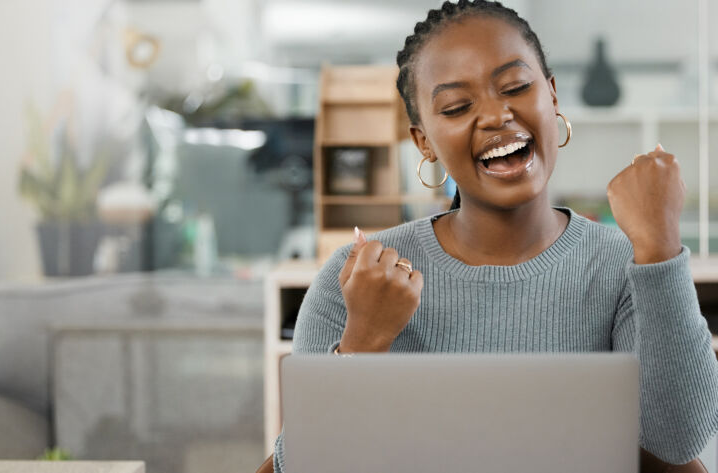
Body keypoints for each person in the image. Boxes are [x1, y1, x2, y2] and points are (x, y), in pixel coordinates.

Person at [256, 1, 718, 472]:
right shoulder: (355, 280)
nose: (497, 116)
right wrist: (361, 346)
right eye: (457, 107)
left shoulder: (623, 267)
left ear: (552, 96)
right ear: (424, 142)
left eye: (516, 87)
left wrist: (660, 248)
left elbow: (678, 443)